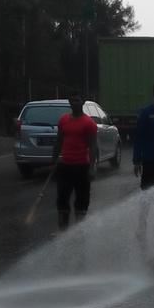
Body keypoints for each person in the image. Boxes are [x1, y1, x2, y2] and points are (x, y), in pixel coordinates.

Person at [52, 92, 97, 229]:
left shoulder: (89, 123)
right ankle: (63, 229)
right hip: (65, 166)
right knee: (62, 198)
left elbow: (93, 146)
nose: (75, 102)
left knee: (82, 199)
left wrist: (91, 168)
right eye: (72, 100)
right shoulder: (63, 120)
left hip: (82, 166)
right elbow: (59, 141)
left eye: (77, 100)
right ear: (69, 102)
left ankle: (79, 229)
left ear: (83, 102)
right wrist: (54, 159)